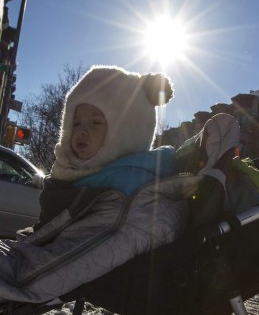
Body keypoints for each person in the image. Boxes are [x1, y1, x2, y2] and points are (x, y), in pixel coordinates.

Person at [36, 65, 178, 229]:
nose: (81, 130)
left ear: (127, 132)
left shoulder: (129, 182)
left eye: (96, 123)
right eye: (76, 123)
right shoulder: (66, 173)